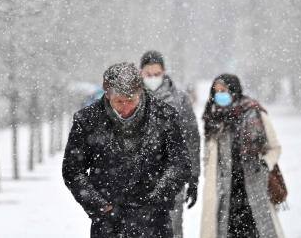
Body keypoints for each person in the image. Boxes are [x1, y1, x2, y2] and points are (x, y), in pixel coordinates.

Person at [62, 62, 191, 238]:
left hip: (155, 222)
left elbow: (180, 164)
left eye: (131, 100)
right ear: (107, 95)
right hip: (108, 223)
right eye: (119, 102)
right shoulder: (87, 121)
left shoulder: (165, 116)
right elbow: (73, 171)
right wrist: (101, 206)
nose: (126, 108)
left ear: (141, 92)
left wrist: (156, 199)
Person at [200, 74, 284, 238]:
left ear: (234, 90)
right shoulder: (212, 117)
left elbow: (275, 148)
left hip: (251, 189)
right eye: (216, 91)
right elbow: (208, 155)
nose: (220, 95)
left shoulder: (253, 113)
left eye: (224, 90)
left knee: (257, 231)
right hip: (223, 193)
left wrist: (265, 164)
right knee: (224, 231)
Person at [140, 50, 201, 238]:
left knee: (172, 228)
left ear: (164, 71)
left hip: (173, 176)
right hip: (139, 178)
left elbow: (192, 139)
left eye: (156, 74)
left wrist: (193, 177)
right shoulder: (132, 99)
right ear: (141, 73)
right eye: (148, 74)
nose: (152, 78)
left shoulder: (180, 99)